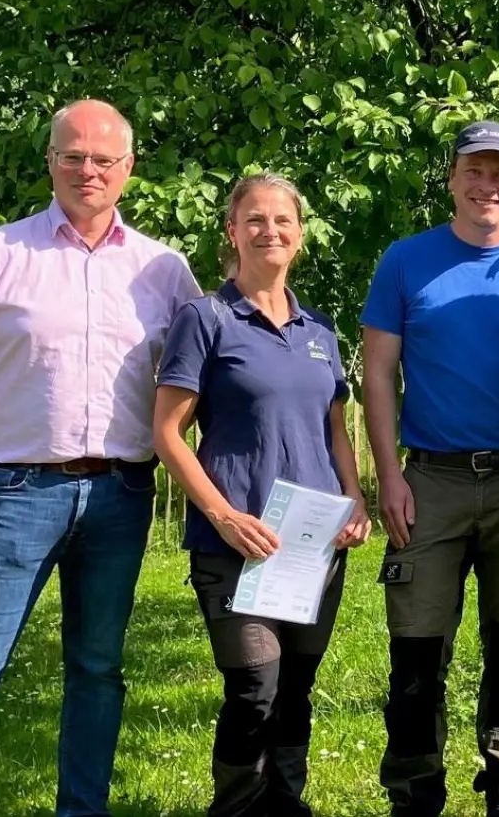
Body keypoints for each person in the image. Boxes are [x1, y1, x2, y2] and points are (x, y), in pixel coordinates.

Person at [0, 99, 202, 817]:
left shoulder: (163, 269)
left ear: (128, 169)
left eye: (103, 159)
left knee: (97, 671)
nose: (87, 170)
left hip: (122, 496)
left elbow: (204, 371)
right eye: (72, 155)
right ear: (51, 161)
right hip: (17, 492)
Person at [361, 121, 499, 817]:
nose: (488, 186)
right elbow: (376, 371)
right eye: (475, 171)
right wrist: (388, 475)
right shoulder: (406, 261)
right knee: (417, 654)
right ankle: (414, 790)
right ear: (453, 178)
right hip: (431, 481)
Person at [153, 172, 371, 817]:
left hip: (313, 541)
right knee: (254, 686)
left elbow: (336, 427)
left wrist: (355, 498)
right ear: (232, 231)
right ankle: (237, 806)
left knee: (297, 687)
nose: (269, 230)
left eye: (282, 220)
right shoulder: (206, 318)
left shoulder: (320, 330)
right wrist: (221, 515)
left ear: (299, 236)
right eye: (254, 219)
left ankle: (286, 801)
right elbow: (167, 433)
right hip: (237, 542)